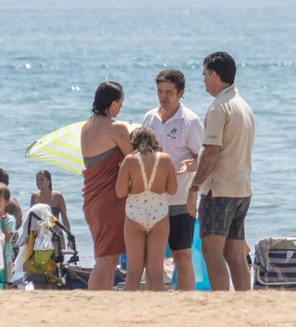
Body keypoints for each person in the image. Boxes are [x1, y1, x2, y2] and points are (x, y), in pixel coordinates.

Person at [188, 52, 256, 291]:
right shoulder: (243, 105)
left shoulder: (219, 107)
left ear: (215, 75)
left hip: (220, 190)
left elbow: (211, 152)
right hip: (242, 188)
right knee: (234, 253)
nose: (204, 80)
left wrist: (194, 186)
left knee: (211, 251)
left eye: (205, 75)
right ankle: (241, 300)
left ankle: (221, 302)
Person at [140, 69, 204, 290]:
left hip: (179, 200)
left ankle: (185, 303)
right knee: (152, 258)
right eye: (159, 91)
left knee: (182, 255)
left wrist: (193, 190)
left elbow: (203, 160)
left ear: (181, 93)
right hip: (151, 199)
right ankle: (153, 300)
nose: (163, 96)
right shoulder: (149, 118)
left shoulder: (190, 121)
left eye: (168, 92)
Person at [81, 81, 132, 291]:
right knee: (107, 256)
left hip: (92, 198)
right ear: (112, 105)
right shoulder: (116, 128)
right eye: (121, 103)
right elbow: (135, 157)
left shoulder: (86, 127)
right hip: (110, 198)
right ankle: (94, 299)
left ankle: (105, 297)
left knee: (108, 256)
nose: (121, 108)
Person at [116, 126, 177, 291]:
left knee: (134, 271)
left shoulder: (129, 160)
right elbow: (172, 190)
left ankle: (131, 310)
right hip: (159, 214)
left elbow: (120, 192)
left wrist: (132, 184)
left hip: (135, 214)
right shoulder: (165, 159)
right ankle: (157, 309)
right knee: (156, 270)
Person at [30, 170, 76, 254]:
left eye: (42, 179)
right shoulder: (35, 196)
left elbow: (64, 218)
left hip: (56, 236)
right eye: (37, 180)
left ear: (49, 181)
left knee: (58, 264)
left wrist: (69, 237)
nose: (39, 182)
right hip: (40, 237)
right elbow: (31, 220)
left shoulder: (57, 196)